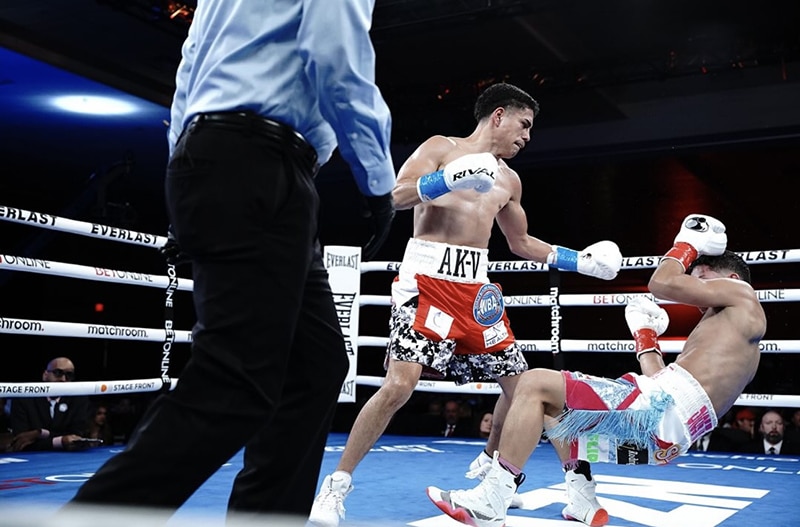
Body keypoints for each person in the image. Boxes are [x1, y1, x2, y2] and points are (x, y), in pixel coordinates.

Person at [68, 0, 396, 522]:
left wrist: (186, 171)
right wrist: (378, 181)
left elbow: (190, 65)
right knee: (236, 379)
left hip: (221, 156)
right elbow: (336, 55)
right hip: (262, 165)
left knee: (316, 365)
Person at [309, 82, 622, 527]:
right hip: (426, 282)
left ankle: (568, 491)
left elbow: (520, 242)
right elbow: (393, 198)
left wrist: (582, 262)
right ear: (498, 115)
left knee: (527, 390)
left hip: (476, 291)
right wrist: (446, 179)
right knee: (400, 384)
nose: (527, 136)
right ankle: (335, 487)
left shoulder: (510, 180)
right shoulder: (441, 148)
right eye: (524, 124)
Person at [426, 213, 768, 527]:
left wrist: (687, 244)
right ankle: (581, 498)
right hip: (666, 435)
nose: (696, 285)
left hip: (663, 413)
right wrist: (644, 336)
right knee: (557, 409)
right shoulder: (730, 333)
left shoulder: (743, 295)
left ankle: (490, 500)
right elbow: (663, 385)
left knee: (533, 383)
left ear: (732, 278)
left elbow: (661, 282)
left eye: (703, 278)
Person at [8, 357, 92, 452]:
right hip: (31, 457)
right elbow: (22, 441)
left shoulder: (78, 399)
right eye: (58, 373)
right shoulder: (23, 399)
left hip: (67, 457)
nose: (63, 379)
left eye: (69, 375)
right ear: (45, 375)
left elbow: (75, 438)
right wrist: (60, 440)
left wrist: (41, 433)